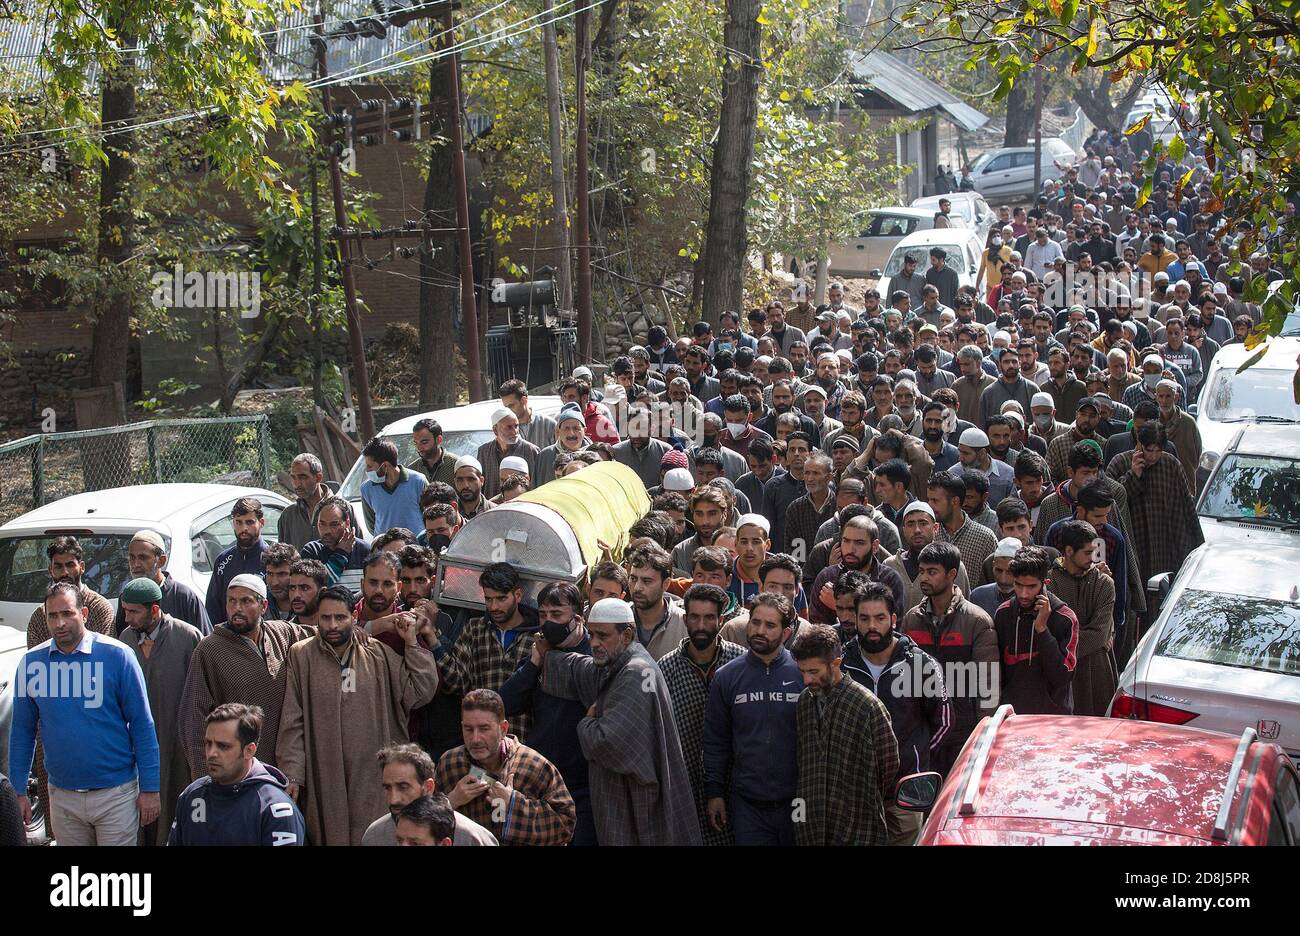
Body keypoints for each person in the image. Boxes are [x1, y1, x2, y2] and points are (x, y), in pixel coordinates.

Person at [276, 584, 438, 845]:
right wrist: (293, 772)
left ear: (353, 617)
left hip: (372, 771)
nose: (332, 625)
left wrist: (411, 643)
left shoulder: (377, 653)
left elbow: (420, 692)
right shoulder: (301, 655)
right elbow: (293, 720)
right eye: (326, 618)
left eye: (340, 617)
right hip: (325, 770)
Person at [538, 598, 702, 845]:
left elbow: (606, 742)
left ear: (626, 635)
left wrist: (587, 723)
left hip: (636, 799)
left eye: (603, 636)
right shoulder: (623, 662)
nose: (594, 643)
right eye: (591, 635)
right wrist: (548, 656)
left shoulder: (636, 672)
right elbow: (585, 670)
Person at [10, 581, 160, 846]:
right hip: (63, 797)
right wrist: (18, 791)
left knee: (116, 885)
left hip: (116, 794)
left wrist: (150, 788)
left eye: (67, 613)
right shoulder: (32, 663)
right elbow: (22, 732)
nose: (60, 623)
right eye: (52, 616)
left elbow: (142, 725)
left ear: (84, 614)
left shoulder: (118, 656)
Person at [178, 574, 316, 780]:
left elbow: (322, 633)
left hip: (284, 767)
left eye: (246, 601)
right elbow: (193, 722)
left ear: (263, 605)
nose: (237, 608)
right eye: (231, 601)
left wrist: (363, 630)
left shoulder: (281, 633)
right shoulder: (209, 650)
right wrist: (206, 780)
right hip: (236, 773)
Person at [499, 581, 596, 846]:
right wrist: (535, 663)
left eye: (557, 615)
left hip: (583, 782)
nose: (548, 622)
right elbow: (507, 703)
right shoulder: (539, 651)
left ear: (577, 618)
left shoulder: (593, 654)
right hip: (541, 777)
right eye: (543, 615)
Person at [703, 591, 802, 846]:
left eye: (770, 625)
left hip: (798, 802)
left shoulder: (804, 676)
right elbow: (716, 742)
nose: (760, 630)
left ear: (786, 633)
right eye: (755, 622)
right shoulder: (726, 677)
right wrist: (714, 793)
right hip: (748, 805)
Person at [791, 621, 899, 846]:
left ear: (836, 664)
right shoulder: (804, 701)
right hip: (810, 825)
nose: (806, 680)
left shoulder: (866, 705)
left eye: (814, 671)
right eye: (802, 671)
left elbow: (888, 765)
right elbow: (802, 760)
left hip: (857, 828)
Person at [657, 583, 746, 846]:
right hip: (687, 786)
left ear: (721, 620)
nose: (701, 625)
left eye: (709, 618)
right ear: (685, 619)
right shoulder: (668, 667)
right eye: (694, 617)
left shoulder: (739, 662)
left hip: (736, 783)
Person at [117, 577, 203, 845]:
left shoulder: (187, 637)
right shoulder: (125, 639)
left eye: (134, 611)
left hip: (176, 743)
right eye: (125, 610)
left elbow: (201, 693)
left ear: (154, 610)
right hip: (136, 746)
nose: (127, 617)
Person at [901, 542, 997, 776]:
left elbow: (988, 685)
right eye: (921, 571)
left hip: (963, 733)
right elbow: (903, 678)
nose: (924, 577)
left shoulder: (977, 621)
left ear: (952, 574)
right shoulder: (911, 620)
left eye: (932, 572)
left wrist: (982, 735)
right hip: (922, 731)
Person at [435, 689, 576, 846]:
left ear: (503, 729)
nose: (475, 739)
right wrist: (450, 802)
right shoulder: (450, 764)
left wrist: (514, 806)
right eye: (468, 729)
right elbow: (423, 823)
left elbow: (566, 826)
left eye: (484, 729)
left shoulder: (535, 767)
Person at [168, 704, 305, 846]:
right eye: (208, 743)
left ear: (249, 751)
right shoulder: (192, 796)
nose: (211, 753)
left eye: (223, 746)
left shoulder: (276, 809)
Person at [430, 563, 541, 738]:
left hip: (524, 739)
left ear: (518, 595)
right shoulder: (475, 630)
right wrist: (432, 638)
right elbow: (456, 682)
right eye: (489, 599)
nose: (494, 606)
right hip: (480, 739)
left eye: (501, 598)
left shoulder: (537, 637)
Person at [1106, 423, 1204, 584]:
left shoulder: (1171, 464)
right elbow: (1110, 504)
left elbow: (1188, 508)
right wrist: (1133, 476)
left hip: (1167, 545)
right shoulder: (1120, 463)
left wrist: (1199, 546)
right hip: (1135, 545)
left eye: (1158, 451)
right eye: (1149, 450)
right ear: (1139, 444)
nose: (1153, 456)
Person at [993, 546, 1079, 715]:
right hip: (1013, 717)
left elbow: (1062, 676)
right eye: (1018, 585)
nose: (1024, 594)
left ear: (1044, 583)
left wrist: (1042, 629)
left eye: (1031, 587)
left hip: (1052, 719)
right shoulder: (1003, 614)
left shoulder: (1065, 618)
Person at [1046, 520, 1118, 718]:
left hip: (1096, 671)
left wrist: (1063, 646)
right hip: (1060, 673)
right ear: (1069, 551)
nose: (1093, 557)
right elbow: (1048, 631)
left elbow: (1100, 633)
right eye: (1087, 553)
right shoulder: (1049, 583)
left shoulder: (1104, 583)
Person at [362, 744, 498, 846]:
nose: (393, 799)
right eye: (387, 788)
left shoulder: (471, 838)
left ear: (428, 787)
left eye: (403, 787)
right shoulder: (375, 836)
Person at [114, 529, 211, 636]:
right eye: (132, 557)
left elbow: (205, 643)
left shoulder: (184, 597)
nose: (136, 564)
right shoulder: (127, 597)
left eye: (143, 558)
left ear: (161, 561)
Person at [203, 497, 269, 626]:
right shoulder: (223, 561)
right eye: (239, 522)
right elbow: (213, 608)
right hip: (228, 638)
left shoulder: (272, 559)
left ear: (261, 522)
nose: (244, 528)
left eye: (249, 522)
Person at [929, 470, 998, 587]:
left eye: (935, 500)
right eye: (929, 500)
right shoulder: (929, 534)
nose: (930, 505)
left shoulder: (984, 538)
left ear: (954, 501)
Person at [360, 436, 428, 535]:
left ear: (385, 466)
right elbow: (371, 524)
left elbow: (430, 517)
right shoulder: (366, 489)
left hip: (417, 547)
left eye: (370, 466)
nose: (367, 470)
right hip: (385, 549)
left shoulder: (418, 481)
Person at [300, 495, 371, 582]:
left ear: (347, 523)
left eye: (334, 524)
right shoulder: (312, 551)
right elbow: (315, 586)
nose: (327, 531)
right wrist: (341, 554)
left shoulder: (364, 551)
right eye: (322, 524)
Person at [476, 407, 541, 500]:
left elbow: (538, 485)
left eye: (516, 426)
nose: (514, 431)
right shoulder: (484, 452)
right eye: (509, 427)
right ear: (495, 430)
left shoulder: (531, 451)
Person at [279, 453, 335, 548]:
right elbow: (282, 555)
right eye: (293, 477)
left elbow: (357, 552)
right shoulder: (288, 515)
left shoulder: (342, 509)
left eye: (302, 477)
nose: (297, 484)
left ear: (318, 477)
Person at [969, 536, 1020, 619]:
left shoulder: (1028, 599)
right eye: (999, 570)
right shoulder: (978, 596)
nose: (1003, 579)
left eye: (1010, 572)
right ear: (993, 566)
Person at [408, 418, 459, 486]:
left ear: (439, 439)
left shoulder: (456, 465)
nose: (419, 447)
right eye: (416, 443)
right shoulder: (412, 470)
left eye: (424, 442)